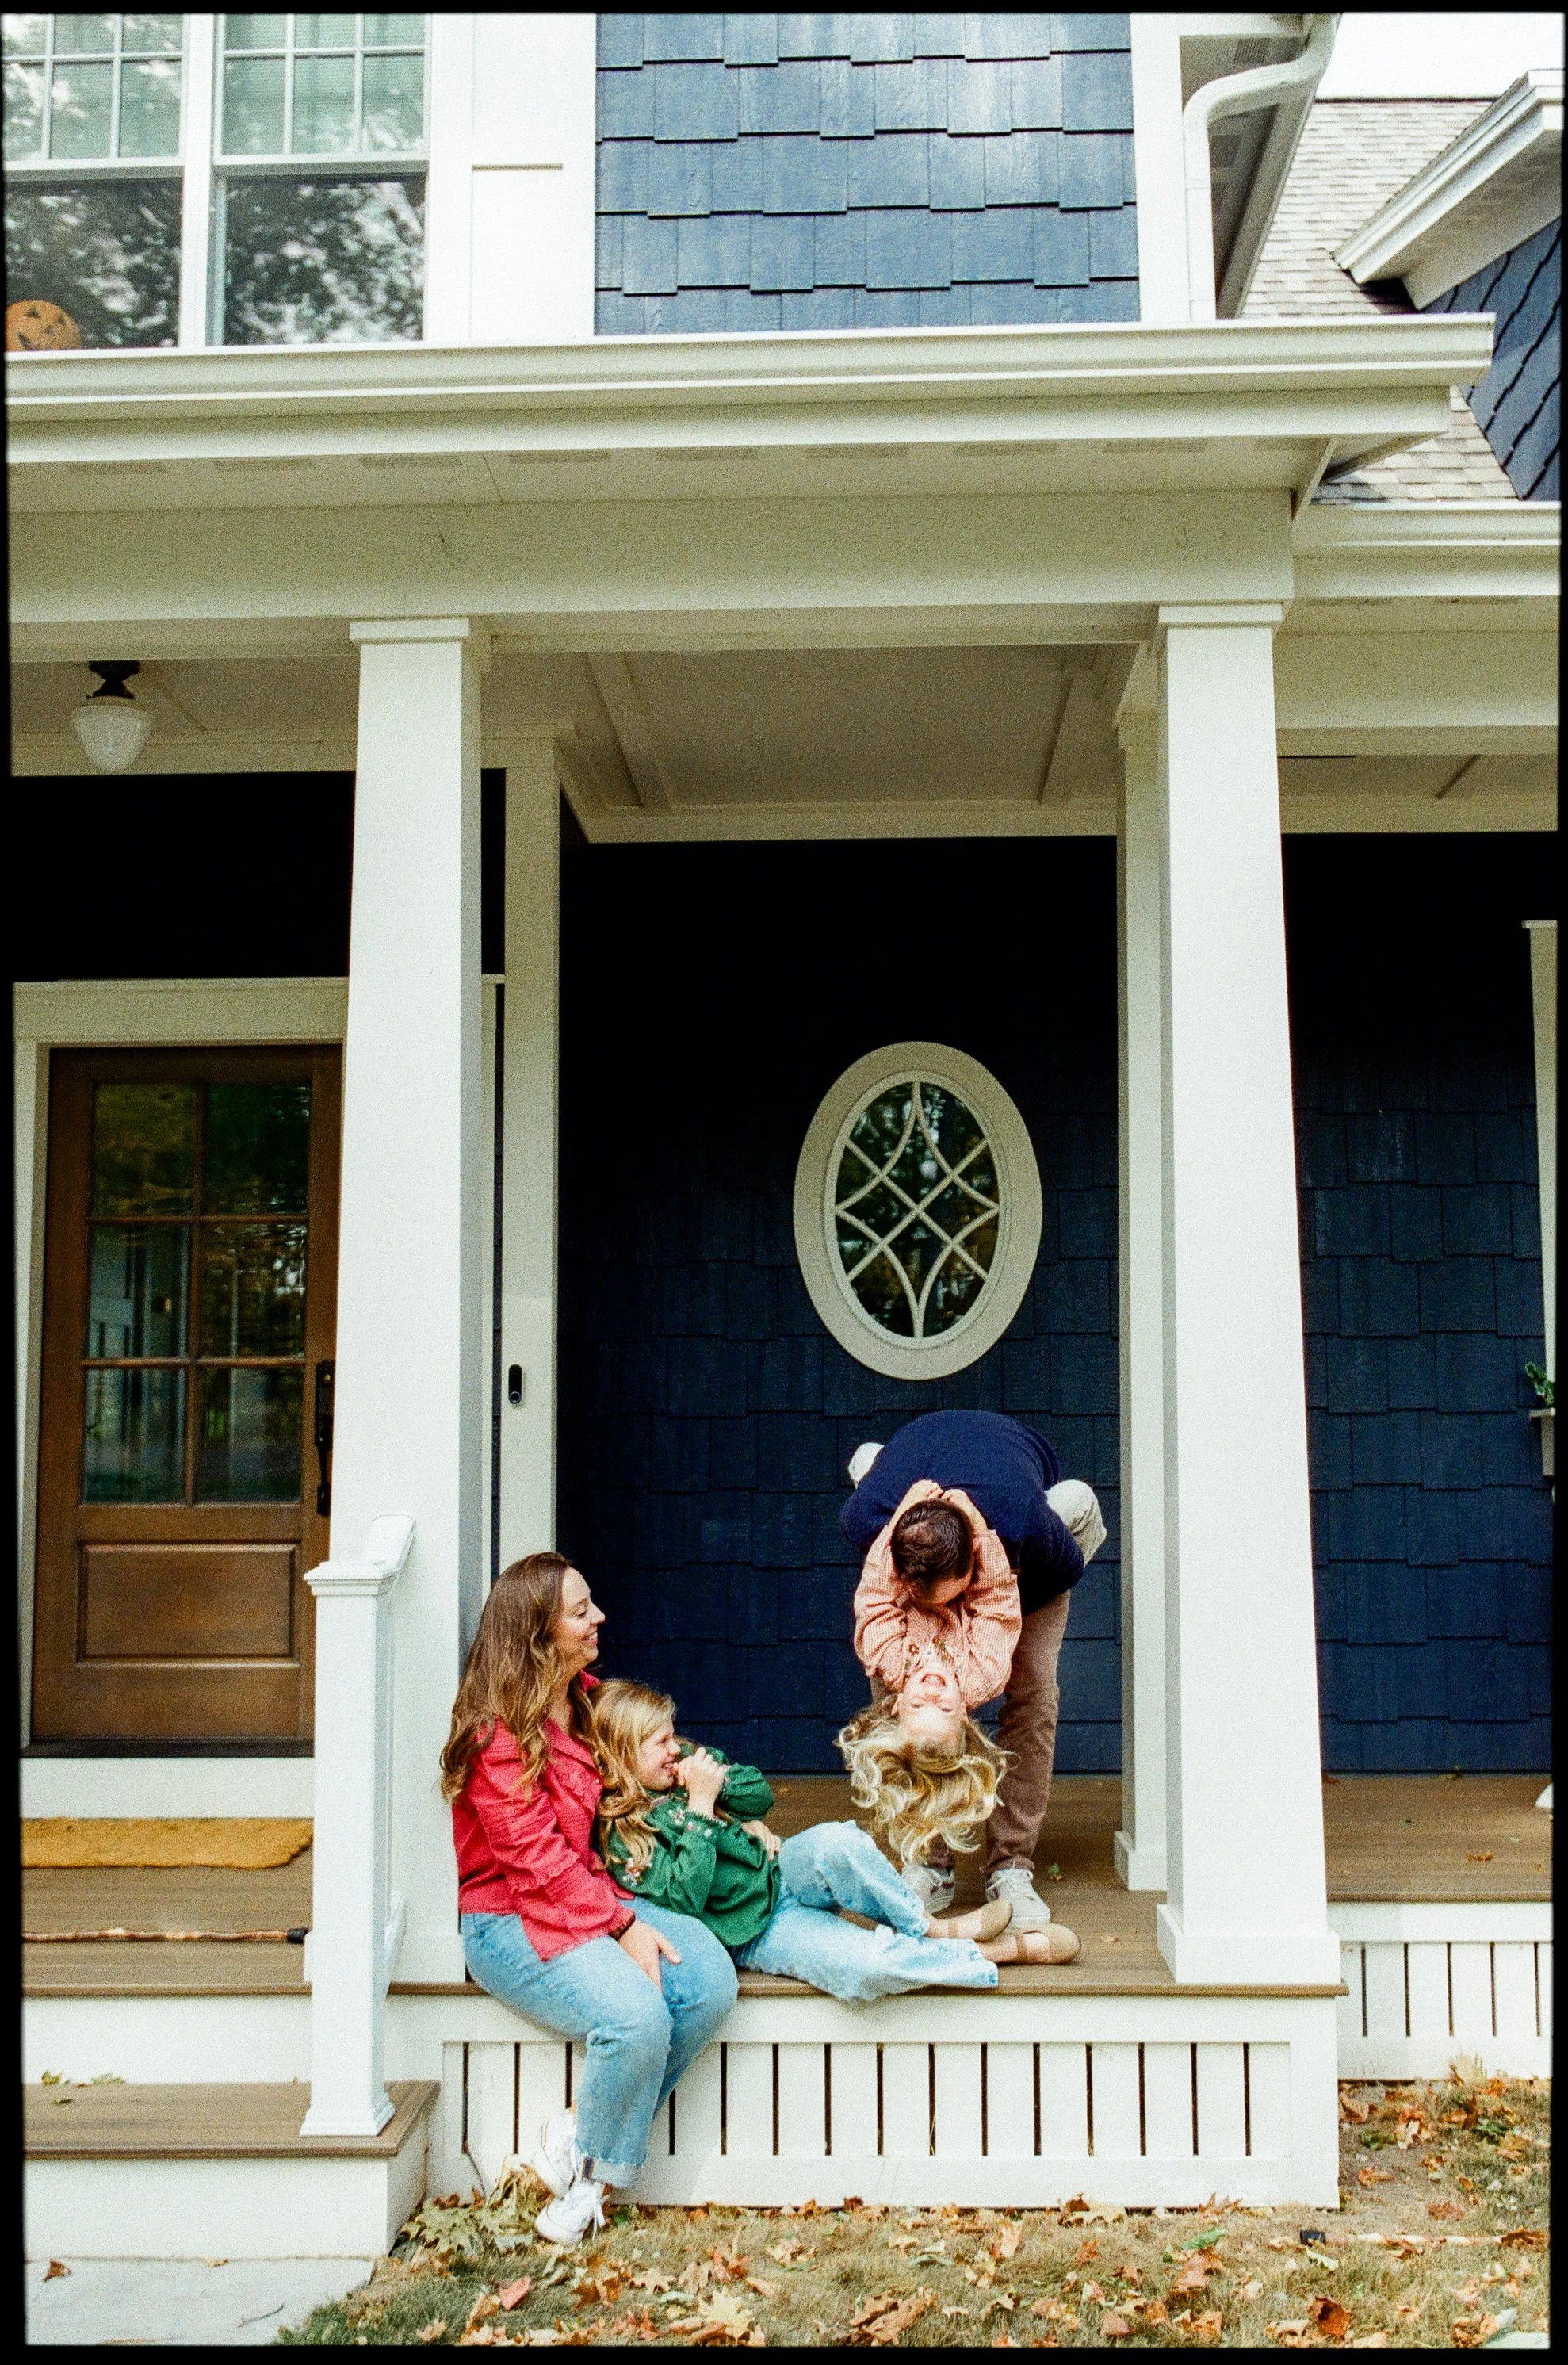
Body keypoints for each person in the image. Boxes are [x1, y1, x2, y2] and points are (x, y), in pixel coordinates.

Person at [441, 1552, 737, 2247]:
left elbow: (654, 1756)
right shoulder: (496, 1732)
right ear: (538, 1633)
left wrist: (727, 1804)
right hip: (509, 1919)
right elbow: (535, 1865)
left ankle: (579, 2130)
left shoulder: (583, 1699)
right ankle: (594, 2185)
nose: (598, 1617)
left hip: (590, 1894)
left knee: (709, 1981)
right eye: (580, 1610)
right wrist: (624, 1924)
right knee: (636, 2019)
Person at [589, 1677, 1077, 1994]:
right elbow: (685, 1901)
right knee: (861, 1966)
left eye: (674, 1736)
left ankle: (932, 1926)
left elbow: (759, 1797)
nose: (675, 1748)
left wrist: (715, 1781)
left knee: (838, 1842)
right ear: (623, 1754)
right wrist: (699, 1809)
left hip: (781, 1873)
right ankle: (995, 1953)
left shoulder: (683, 1769)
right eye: (660, 1743)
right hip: (755, 1933)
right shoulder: (623, 1838)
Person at [844, 1410, 1107, 1932]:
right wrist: (913, 1690)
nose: (934, 1693)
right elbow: (877, 1604)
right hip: (913, 1519)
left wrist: (954, 1689)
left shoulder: (1025, 1525)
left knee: (1034, 1688)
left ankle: (1011, 1865)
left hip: (1020, 1575)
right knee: (894, 1694)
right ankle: (928, 1857)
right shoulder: (869, 1524)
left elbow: (1039, 1585)